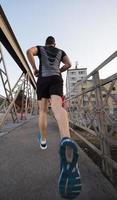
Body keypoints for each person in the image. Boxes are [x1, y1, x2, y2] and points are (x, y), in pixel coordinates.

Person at [26, 36, 81, 199]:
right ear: (55, 43)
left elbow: (29, 51)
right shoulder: (60, 51)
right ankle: (66, 139)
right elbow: (69, 64)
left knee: (42, 111)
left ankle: (43, 140)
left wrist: (35, 68)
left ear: (45, 43)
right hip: (57, 78)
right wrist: (60, 70)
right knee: (57, 107)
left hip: (43, 79)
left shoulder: (40, 49)